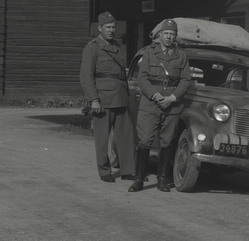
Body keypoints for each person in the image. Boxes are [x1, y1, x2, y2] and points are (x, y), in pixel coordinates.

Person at [131, 18, 191, 193]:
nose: (168, 37)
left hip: (171, 105)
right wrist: (155, 95)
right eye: (166, 34)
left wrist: (173, 98)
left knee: (167, 142)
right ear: (160, 35)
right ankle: (138, 179)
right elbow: (142, 78)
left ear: (175, 36)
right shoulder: (149, 53)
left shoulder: (182, 56)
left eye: (172, 34)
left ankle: (162, 179)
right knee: (144, 141)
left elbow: (186, 80)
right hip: (150, 104)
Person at [79, 11, 135, 183]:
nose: (111, 30)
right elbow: (86, 76)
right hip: (103, 100)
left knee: (126, 136)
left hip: (120, 98)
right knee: (102, 139)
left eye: (113, 27)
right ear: (100, 28)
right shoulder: (92, 48)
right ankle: (105, 171)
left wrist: (126, 97)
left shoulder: (117, 47)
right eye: (108, 27)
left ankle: (127, 170)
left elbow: (121, 76)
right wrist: (93, 99)